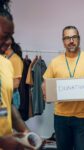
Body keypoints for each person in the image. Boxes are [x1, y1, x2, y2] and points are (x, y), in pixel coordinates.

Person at [42, 26, 84, 150]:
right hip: (60, 117)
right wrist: (45, 92)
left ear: (79, 39)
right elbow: (45, 82)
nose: (71, 41)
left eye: (74, 37)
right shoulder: (55, 62)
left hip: (83, 117)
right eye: (67, 38)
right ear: (63, 41)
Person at [0, 0, 33, 149]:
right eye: (5, 35)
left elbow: (8, 104)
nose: (9, 42)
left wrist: (25, 132)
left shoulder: (6, 65)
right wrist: (4, 141)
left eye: (11, 36)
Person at [5, 36, 23, 109]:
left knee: (8, 119)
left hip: (11, 98)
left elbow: (16, 84)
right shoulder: (4, 57)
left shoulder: (15, 60)